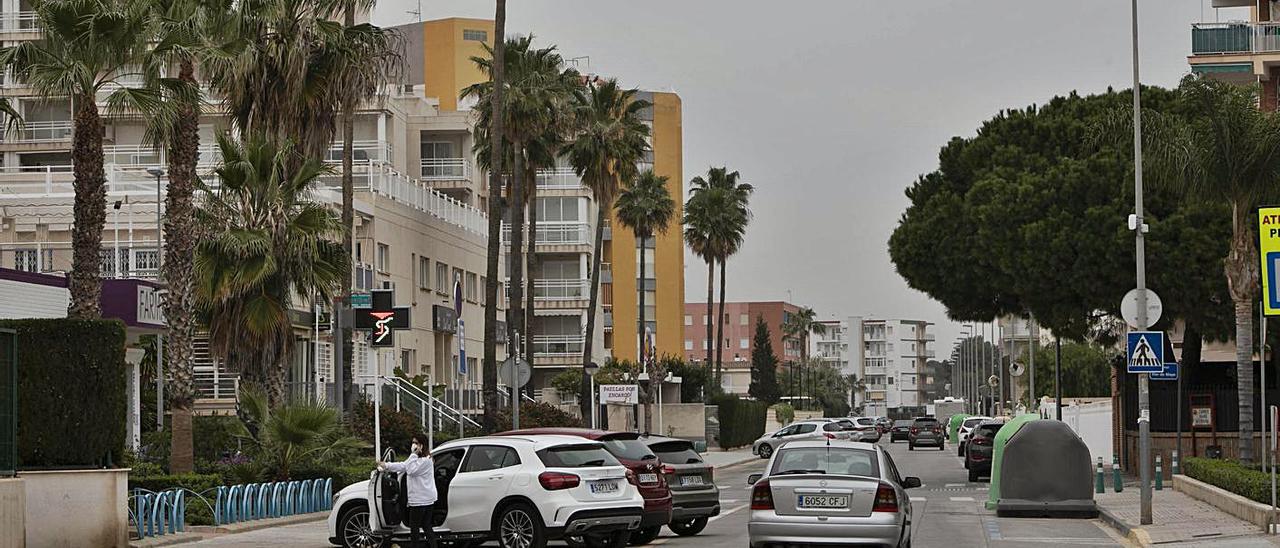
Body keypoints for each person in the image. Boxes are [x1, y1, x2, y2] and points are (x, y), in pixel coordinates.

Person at [378, 435, 437, 548]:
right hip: (423, 498)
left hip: (422, 500)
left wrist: (413, 454)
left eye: (416, 443)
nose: (413, 445)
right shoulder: (417, 459)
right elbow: (404, 465)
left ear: (422, 445)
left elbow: (410, 470)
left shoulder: (426, 460)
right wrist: (386, 465)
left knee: (416, 527)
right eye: (413, 442)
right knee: (425, 526)